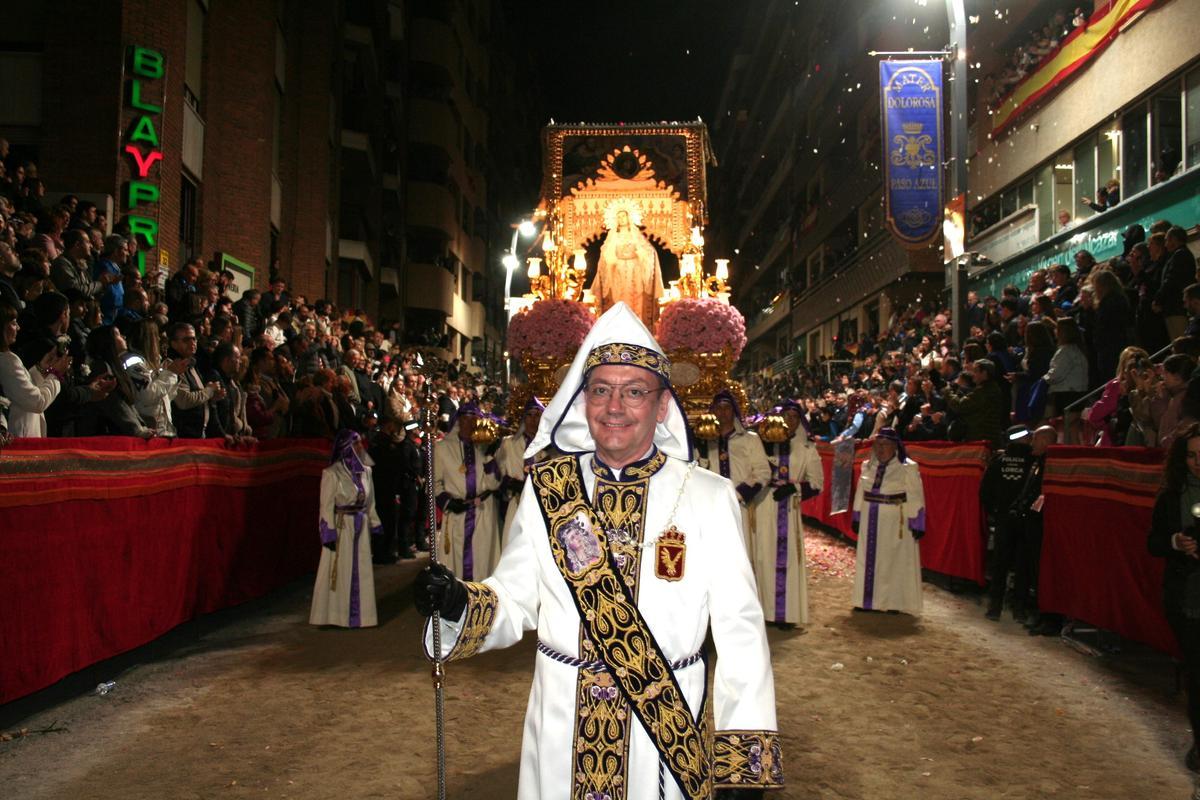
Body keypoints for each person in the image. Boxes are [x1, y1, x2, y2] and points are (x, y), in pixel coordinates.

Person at [415, 302, 782, 799]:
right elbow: (515, 597)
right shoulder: (548, 488)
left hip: (663, 734)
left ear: (662, 405)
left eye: (634, 392)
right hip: (561, 723)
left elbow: (740, 632)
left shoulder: (709, 495)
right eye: (601, 390)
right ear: (581, 401)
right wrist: (460, 602)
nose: (615, 407)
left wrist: (743, 759)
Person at [1147, 422, 1200, 773]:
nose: (1198, 462)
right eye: (1192, 455)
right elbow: (1153, 543)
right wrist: (1175, 543)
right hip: (1186, 599)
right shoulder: (1171, 495)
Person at [754, 398, 822, 629]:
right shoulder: (764, 443)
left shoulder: (807, 448)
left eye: (794, 417)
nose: (789, 421)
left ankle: (785, 614)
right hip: (763, 505)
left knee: (788, 558)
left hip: (788, 507)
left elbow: (817, 482)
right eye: (786, 417)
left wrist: (795, 488)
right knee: (761, 555)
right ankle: (762, 611)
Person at [310, 429, 382, 628]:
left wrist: (375, 524)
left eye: (361, 443)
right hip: (342, 528)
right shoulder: (332, 473)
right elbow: (325, 506)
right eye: (356, 444)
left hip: (361, 528)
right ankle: (336, 616)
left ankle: (362, 616)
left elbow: (371, 502)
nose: (361, 447)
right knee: (339, 571)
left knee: (361, 571)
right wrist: (328, 533)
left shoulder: (366, 472)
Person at [851, 428, 926, 616]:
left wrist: (917, 520)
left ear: (895, 446)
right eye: (877, 444)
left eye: (885, 445)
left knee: (893, 561)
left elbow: (915, 494)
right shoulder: (868, 466)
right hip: (869, 518)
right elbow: (861, 490)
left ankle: (893, 602)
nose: (880, 449)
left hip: (895, 521)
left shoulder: (908, 467)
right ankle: (865, 600)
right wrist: (857, 514)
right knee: (866, 559)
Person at [433, 401, 501, 581]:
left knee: (482, 561)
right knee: (455, 565)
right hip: (457, 514)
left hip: (483, 513)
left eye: (474, 420)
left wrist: (489, 456)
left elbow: (493, 484)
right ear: (458, 421)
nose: (470, 424)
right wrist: (448, 502)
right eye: (466, 419)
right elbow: (434, 484)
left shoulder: (483, 447)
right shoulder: (442, 448)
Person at [696, 390, 771, 551]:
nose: (722, 412)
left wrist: (738, 494)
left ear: (734, 410)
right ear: (712, 411)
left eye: (727, 407)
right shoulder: (702, 441)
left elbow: (763, 471)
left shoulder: (750, 439)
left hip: (740, 506)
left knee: (740, 554)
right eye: (718, 407)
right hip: (710, 507)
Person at [980, 426, 1037, 621]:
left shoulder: (999, 462)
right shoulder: (1033, 462)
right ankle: (1018, 608)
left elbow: (985, 491)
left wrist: (995, 512)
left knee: (1000, 563)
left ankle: (994, 606)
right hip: (1026, 520)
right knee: (1022, 564)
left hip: (1003, 518)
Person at [590, 203, 665, 328]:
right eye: (618, 217)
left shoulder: (636, 235)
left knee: (636, 300)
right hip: (617, 272)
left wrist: (640, 255)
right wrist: (611, 259)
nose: (621, 219)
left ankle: (636, 327)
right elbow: (605, 253)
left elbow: (649, 252)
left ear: (629, 217)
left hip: (635, 271)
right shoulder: (613, 235)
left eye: (623, 216)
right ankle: (619, 327)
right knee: (619, 300)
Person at [0, 298, 65, 437]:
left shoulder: (7, 359)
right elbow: (36, 402)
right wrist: (55, 374)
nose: (18, 327)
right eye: (13, 323)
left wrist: (42, 367)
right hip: (20, 436)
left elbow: (24, 389)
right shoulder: (7, 361)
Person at [496, 396, 551, 549]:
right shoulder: (508, 444)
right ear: (523, 418)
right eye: (529, 415)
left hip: (541, 504)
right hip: (515, 502)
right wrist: (510, 483)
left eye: (537, 415)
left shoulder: (549, 447)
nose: (533, 420)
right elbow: (496, 473)